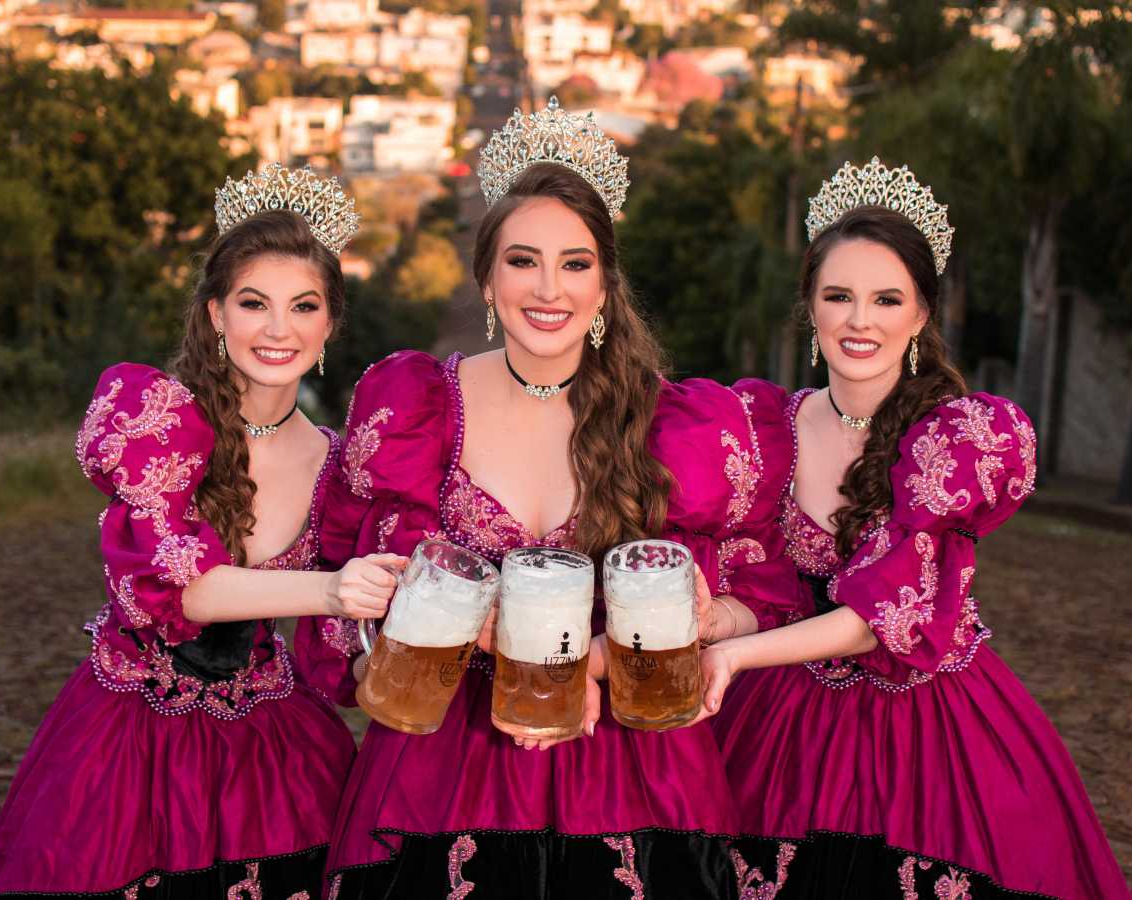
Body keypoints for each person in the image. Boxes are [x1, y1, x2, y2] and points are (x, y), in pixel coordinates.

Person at [297, 98, 799, 899]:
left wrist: (705, 621)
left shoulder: (673, 425)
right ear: (486, 279)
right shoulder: (416, 407)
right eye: (522, 260)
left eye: (574, 264)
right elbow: (344, 596)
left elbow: (766, 594)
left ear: (603, 285)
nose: (547, 288)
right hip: (442, 770)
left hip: (632, 771)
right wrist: (394, 643)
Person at [700, 159, 1130, 898]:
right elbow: (761, 589)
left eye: (886, 299)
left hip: (932, 727)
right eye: (838, 296)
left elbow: (878, 620)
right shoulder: (764, 427)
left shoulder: (957, 439)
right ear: (810, 306)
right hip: (781, 721)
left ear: (922, 315)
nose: (859, 320)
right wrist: (711, 615)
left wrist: (734, 655)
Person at [0, 164, 400, 899]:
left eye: (303, 306)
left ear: (329, 324)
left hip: (269, 740)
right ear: (214, 315)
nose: (279, 329)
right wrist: (333, 589)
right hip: (128, 733)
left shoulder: (337, 464)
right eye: (253, 303)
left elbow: (338, 656)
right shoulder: (158, 418)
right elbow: (184, 590)